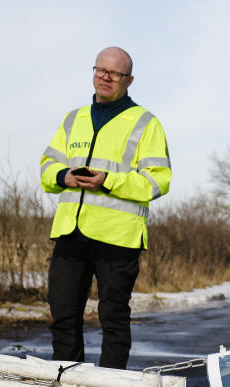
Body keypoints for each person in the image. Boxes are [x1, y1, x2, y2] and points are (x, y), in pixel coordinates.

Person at [40, 47, 171, 369]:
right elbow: (47, 166)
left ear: (129, 80)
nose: (105, 77)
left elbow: (158, 181)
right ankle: (70, 386)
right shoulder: (73, 119)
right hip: (71, 233)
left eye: (114, 73)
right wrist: (63, 175)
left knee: (113, 319)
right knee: (63, 316)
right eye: (100, 69)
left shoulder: (146, 123)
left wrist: (108, 180)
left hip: (118, 238)